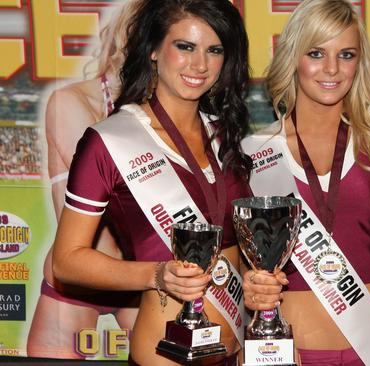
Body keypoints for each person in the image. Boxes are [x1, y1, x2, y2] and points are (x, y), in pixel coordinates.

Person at [51, 0, 251, 364]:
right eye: (185, 46)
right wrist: (157, 274)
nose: (199, 64)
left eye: (214, 50)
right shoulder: (111, 141)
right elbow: (66, 261)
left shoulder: (225, 136)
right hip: (164, 355)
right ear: (155, 50)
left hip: (235, 350)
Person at [240, 0, 370, 364]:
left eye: (346, 54)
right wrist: (252, 283)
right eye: (316, 53)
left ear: (359, 62)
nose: (332, 69)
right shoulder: (253, 154)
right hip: (294, 345)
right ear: (294, 58)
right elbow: (241, 259)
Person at [28, 1, 143, 358]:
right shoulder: (68, 100)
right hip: (74, 280)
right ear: (125, 34)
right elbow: (112, 181)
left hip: (140, 279)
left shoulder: (173, 113)